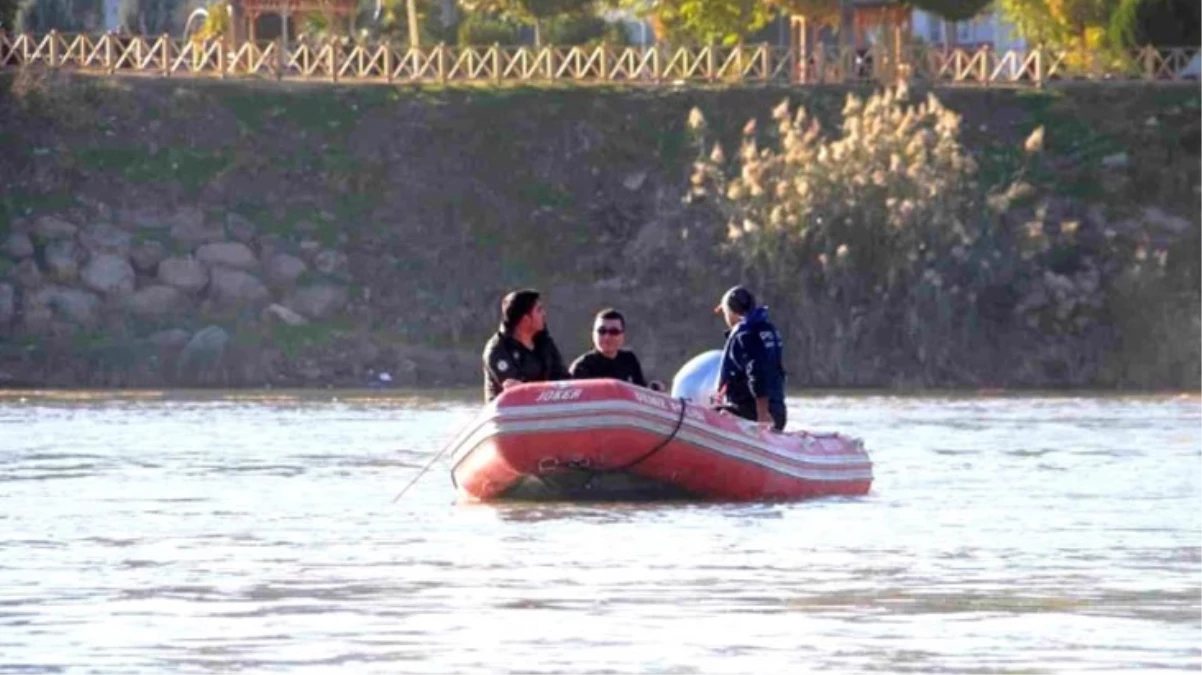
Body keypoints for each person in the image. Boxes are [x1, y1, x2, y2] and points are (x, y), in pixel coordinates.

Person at [713, 285, 787, 430]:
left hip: (752, 414)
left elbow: (757, 374)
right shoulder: (769, 330)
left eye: (725, 313)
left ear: (731, 312)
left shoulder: (745, 335)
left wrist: (762, 415)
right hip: (778, 412)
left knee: (708, 416)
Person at [482, 289, 570, 401]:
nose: (544, 314)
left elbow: (563, 377)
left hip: (547, 409)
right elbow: (515, 390)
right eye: (539, 310)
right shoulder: (497, 350)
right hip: (510, 414)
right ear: (525, 319)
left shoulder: (544, 342)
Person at [569, 308, 663, 390]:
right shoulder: (582, 367)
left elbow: (641, 392)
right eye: (602, 331)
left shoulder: (629, 360)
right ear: (593, 334)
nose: (607, 337)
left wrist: (653, 389)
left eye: (614, 332)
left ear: (622, 336)